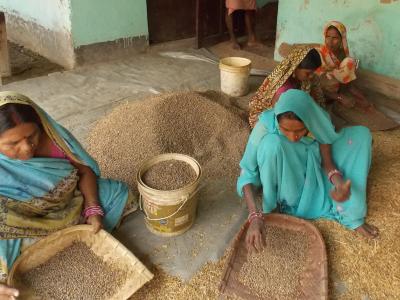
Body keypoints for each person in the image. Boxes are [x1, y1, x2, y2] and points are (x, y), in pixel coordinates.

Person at [0, 91, 135, 297]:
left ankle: (53, 245)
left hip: (69, 206)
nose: (27, 148)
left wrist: (93, 209)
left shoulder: (54, 138)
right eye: (12, 144)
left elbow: (84, 171)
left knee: (117, 193)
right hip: (21, 224)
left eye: (31, 136)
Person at [238, 89, 379, 254]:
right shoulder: (265, 126)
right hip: (288, 169)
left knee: (361, 135)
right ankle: (278, 206)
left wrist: (339, 183)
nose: (292, 136)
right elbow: (247, 172)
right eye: (286, 130)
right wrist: (255, 216)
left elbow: (327, 163)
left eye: (299, 130)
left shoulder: (317, 119)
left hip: (314, 162)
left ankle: (349, 215)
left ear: (309, 121)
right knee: (271, 144)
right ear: (277, 121)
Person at [248, 46, 326, 128]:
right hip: (271, 117)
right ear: (295, 68)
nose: (311, 76)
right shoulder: (283, 88)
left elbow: (315, 91)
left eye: (313, 72)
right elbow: (282, 117)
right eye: (308, 73)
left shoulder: (303, 78)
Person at [315, 21, 372, 110]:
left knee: (351, 62)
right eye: (328, 37)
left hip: (336, 92)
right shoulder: (318, 54)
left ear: (342, 39)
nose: (330, 41)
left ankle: (338, 99)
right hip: (318, 93)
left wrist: (363, 98)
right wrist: (340, 98)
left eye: (335, 38)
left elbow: (348, 84)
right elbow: (314, 84)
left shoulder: (343, 55)